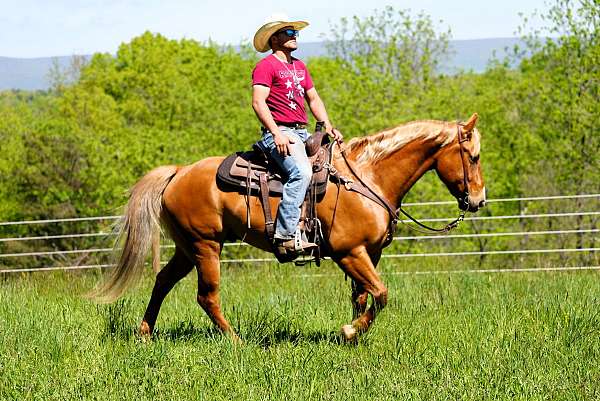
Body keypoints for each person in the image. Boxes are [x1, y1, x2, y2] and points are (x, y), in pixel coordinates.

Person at [252, 13, 343, 254]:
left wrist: (329, 125)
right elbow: (259, 103)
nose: (295, 37)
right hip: (280, 132)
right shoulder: (266, 66)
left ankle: (320, 229)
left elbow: (313, 99)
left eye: (295, 33)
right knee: (301, 172)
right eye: (289, 33)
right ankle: (285, 236)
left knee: (335, 169)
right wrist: (276, 133)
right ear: (274, 40)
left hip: (303, 133)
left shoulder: (300, 66)